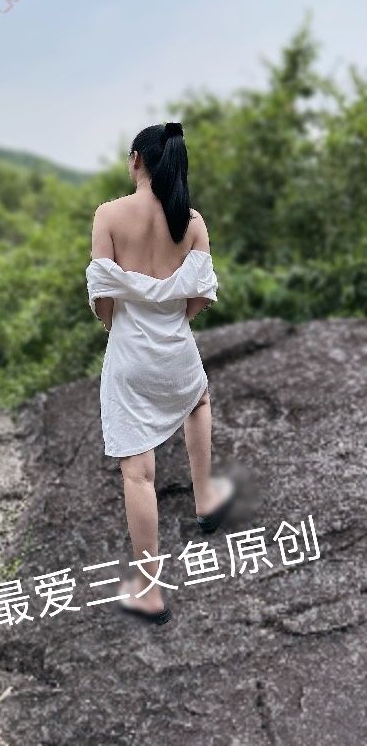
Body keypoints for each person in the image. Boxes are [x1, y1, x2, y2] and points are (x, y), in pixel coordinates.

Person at [85, 122, 234, 625]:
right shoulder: (191, 222)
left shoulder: (108, 215)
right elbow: (200, 297)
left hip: (129, 352)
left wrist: (124, 328)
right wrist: (171, 322)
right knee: (198, 400)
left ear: (136, 159)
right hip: (177, 348)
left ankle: (150, 592)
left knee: (138, 472)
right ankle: (205, 497)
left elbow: (103, 299)